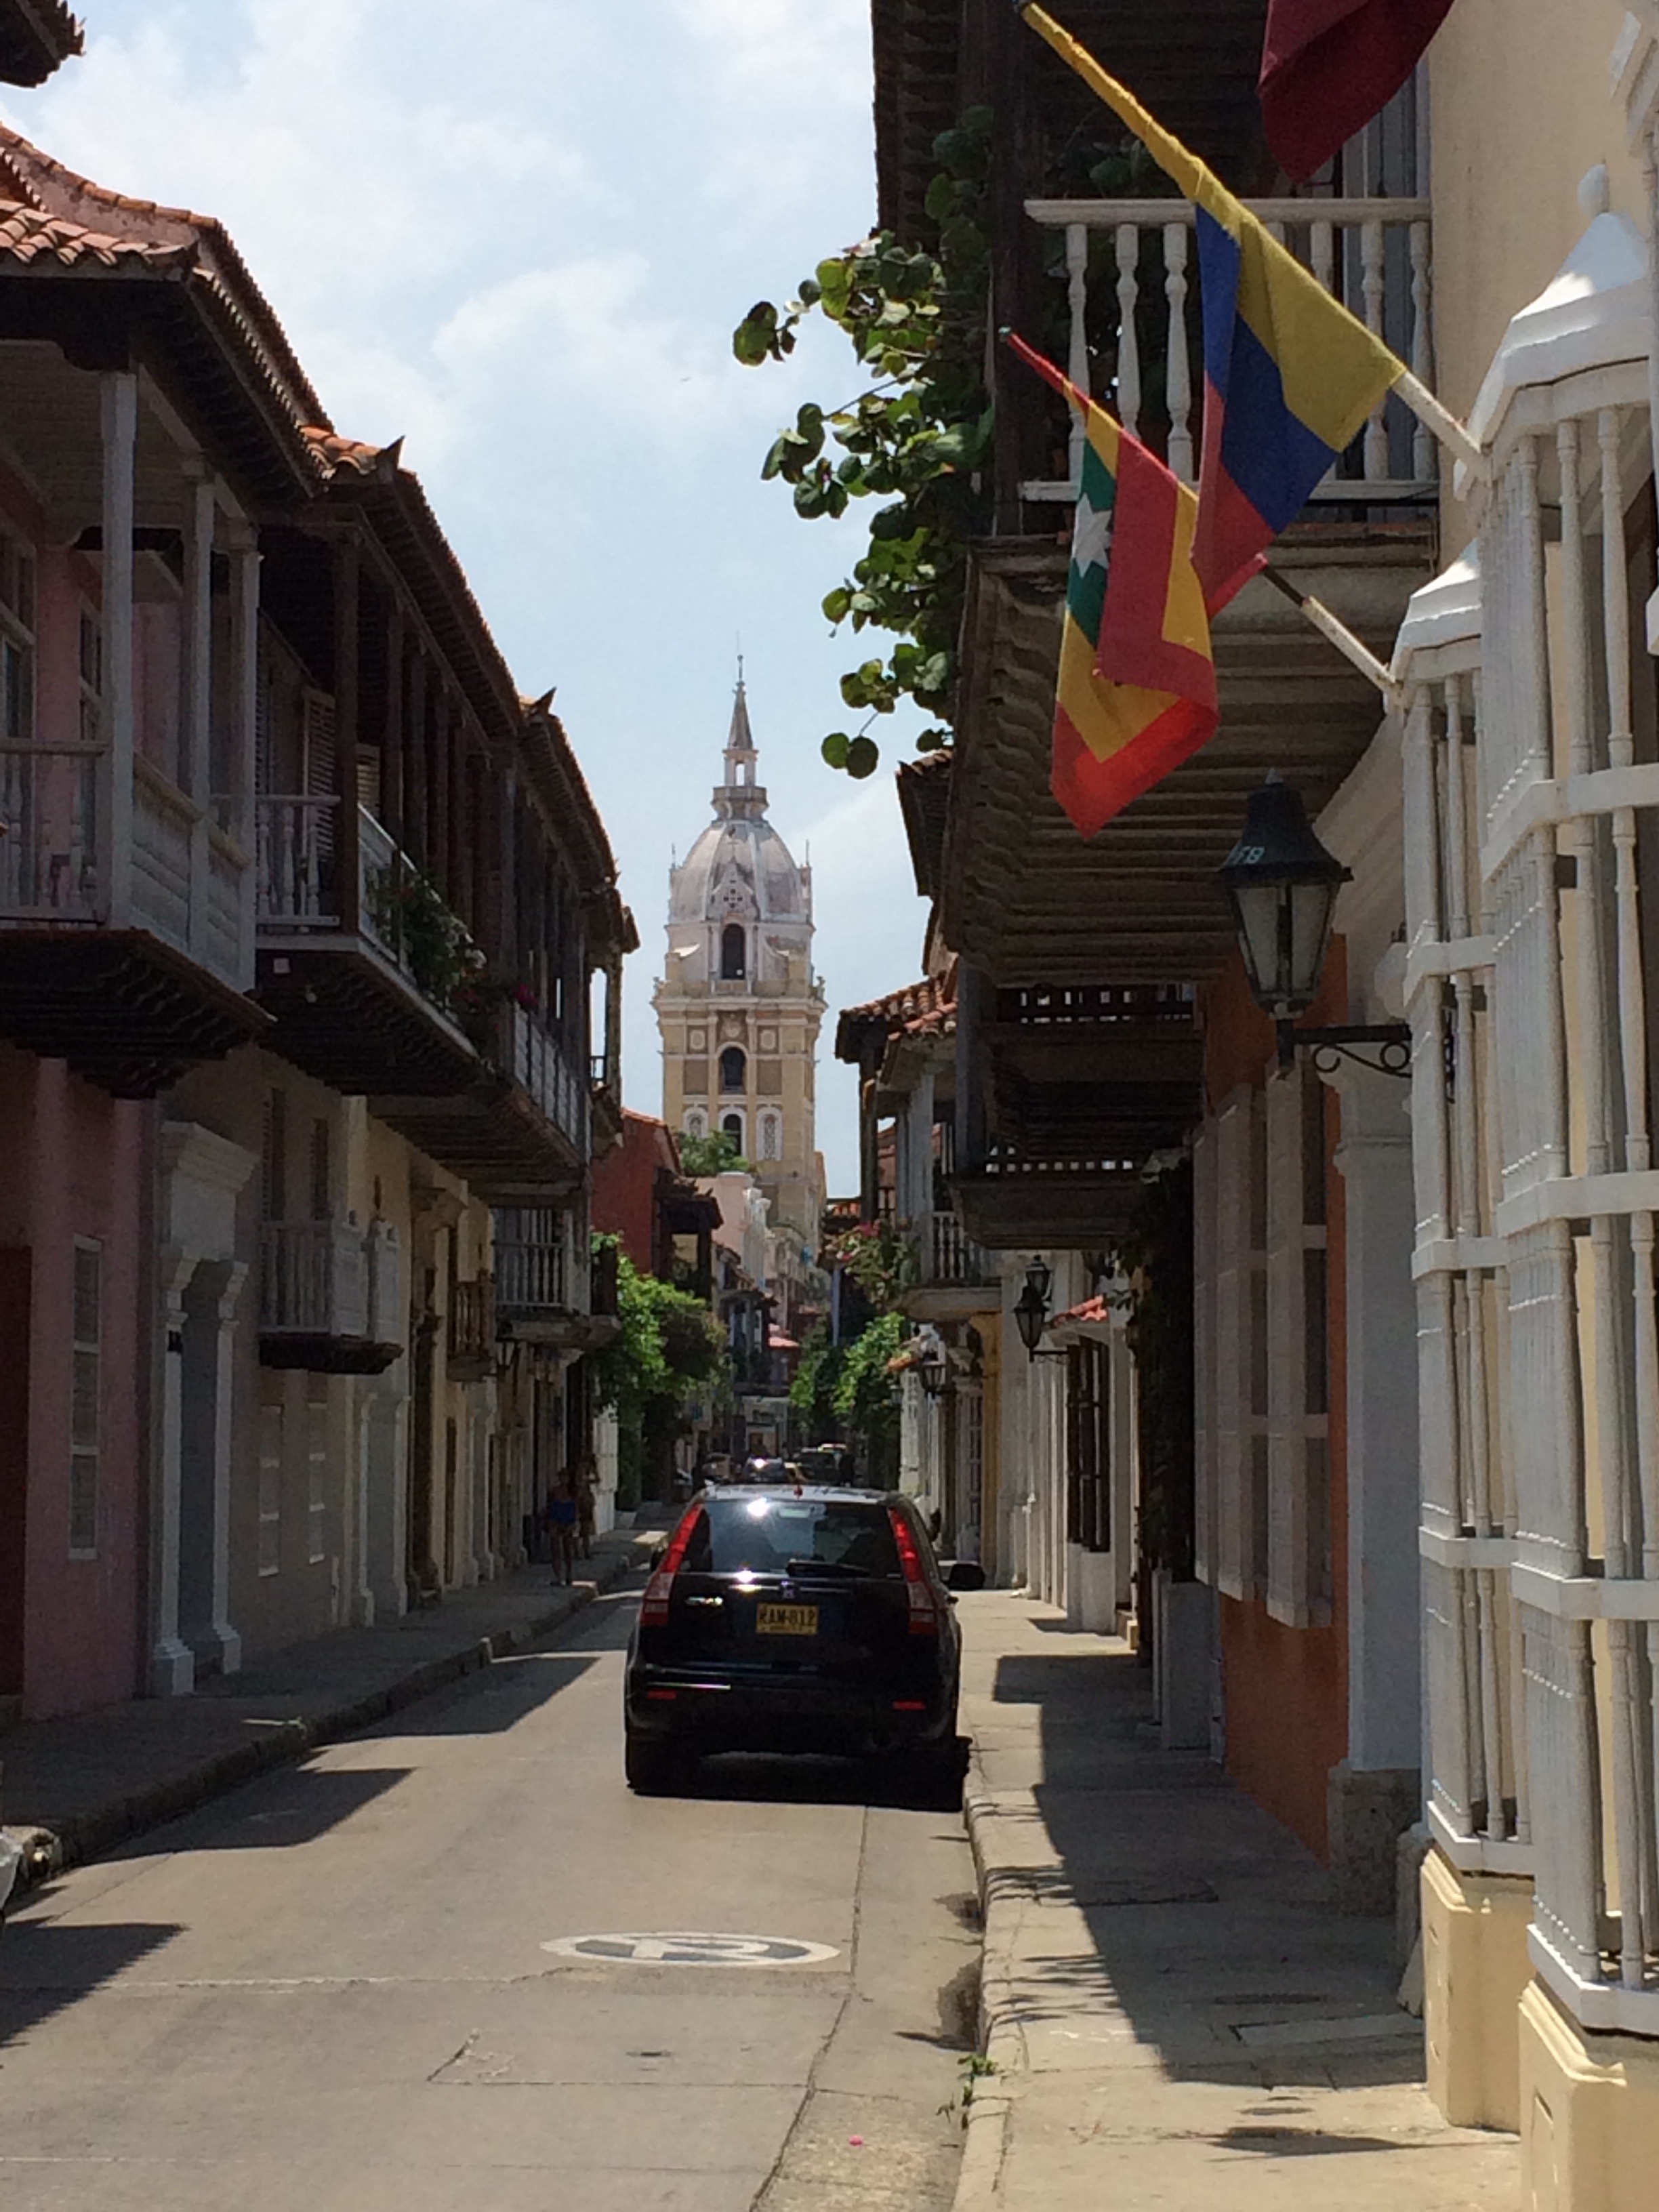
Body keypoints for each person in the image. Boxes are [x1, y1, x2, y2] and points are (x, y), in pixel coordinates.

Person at [545, 1472, 578, 1586]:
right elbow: (550, 1508)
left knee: (568, 1550)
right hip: (556, 1521)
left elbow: (576, 1508)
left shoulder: (573, 1492)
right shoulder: (553, 1492)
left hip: (568, 1521)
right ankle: (558, 1576)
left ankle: (569, 1574)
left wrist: (573, 1523)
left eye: (566, 1477)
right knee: (556, 1550)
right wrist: (550, 1523)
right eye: (562, 1477)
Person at [574, 1455, 597, 1559]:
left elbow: (597, 1479)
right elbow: (579, 1485)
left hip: (586, 1502)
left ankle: (586, 1551)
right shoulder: (579, 1473)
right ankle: (577, 1551)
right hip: (580, 1501)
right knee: (577, 1528)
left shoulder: (586, 1474)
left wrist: (593, 1472)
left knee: (586, 1528)